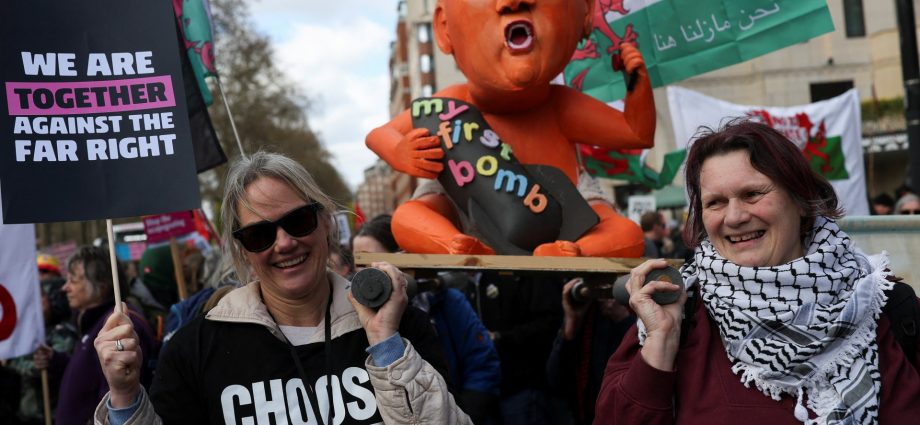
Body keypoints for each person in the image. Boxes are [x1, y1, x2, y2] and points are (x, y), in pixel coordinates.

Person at [92, 151, 470, 424]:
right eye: (260, 235)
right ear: (243, 250)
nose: (285, 243)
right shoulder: (195, 349)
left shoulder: (400, 328)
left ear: (325, 222)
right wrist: (125, 398)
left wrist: (387, 347)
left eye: (298, 220)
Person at [594, 120, 920, 424]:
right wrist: (661, 344)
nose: (734, 217)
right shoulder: (679, 313)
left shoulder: (885, 306)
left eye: (752, 194)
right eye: (715, 202)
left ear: (801, 200)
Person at [366, 0, 651, 258]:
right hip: (462, 205)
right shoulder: (451, 104)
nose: (511, 3)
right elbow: (379, 135)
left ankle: (575, 251)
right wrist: (401, 151)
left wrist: (636, 85)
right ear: (444, 28)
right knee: (407, 217)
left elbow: (636, 133)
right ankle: (454, 244)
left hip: (565, 213)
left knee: (626, 232)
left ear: (585, 11)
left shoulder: (561, 106)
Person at [353, 214, 501, 424]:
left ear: (402, 258)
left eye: (372, 262)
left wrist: (461, 414)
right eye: (359, 263)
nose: (365, 274)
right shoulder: (356, 318)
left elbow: (482, 365)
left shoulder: (446, 302)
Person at [32, 246, 155, 425]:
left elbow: (118, 398)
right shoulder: (93, 322)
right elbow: (91, 376)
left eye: (73, 280)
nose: (65, 288)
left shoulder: (120, 326)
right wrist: (56, 361)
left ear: (101, 286)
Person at [546, 278, 634, 425]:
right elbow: (556, 380)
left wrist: (624, 319)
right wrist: (571, 324)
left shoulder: (636, 306)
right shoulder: (586, 308)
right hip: (583, 414)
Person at [5, 257, 77, 425]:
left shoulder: (62, 332)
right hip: (25, 416)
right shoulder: (27, 333)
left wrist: (10, 361)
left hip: (51, 416)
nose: (36, 303)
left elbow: (43, 367)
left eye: (42, 296)